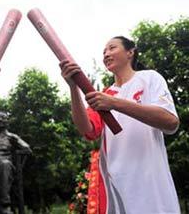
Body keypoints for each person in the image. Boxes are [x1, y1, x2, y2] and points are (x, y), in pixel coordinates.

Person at [60, 36, 180, 214]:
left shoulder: (149, 79)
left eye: (112, 48)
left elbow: (170, 122)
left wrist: (115, 103)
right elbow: (87, 129)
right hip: (116, 182)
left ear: (130, 52)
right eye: (104, 52)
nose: (106, 54)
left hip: (151, 180)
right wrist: (73, 88)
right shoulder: (105, 94)